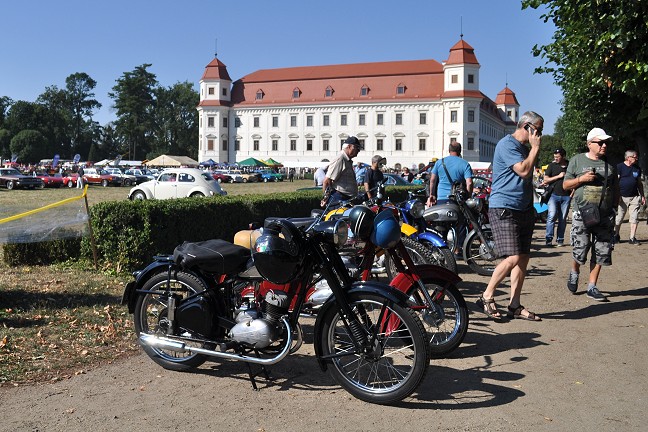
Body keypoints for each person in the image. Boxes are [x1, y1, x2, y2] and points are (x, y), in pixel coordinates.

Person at [477, 111, 544, 321]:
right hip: (504, 207)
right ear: (527, 127)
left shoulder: (523, 148)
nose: (540, 135)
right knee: (513, 257)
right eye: (538, 130)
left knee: (523, 258)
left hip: (523, 209)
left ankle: (514, 305)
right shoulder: (507, 144)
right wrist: (535, 148)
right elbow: (523, 171)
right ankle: (487, 295)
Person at [563, 127, 619, 301]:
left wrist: (614, 208)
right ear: (589, 144)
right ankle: (574, 272)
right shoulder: (577, 160)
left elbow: (615, 188)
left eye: (606, 142)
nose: (604, 145)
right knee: (580, 248)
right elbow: (565, 185)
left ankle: (592, 286)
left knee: (601, 250)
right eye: (600, 142)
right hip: (582, 214)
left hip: (605, 215)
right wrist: (581, 179)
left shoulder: (611, 163)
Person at [426, 142, 473, 206]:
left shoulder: (439, 162)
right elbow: (469, 183)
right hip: (457, 200)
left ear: (449, 150)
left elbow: (432, 180)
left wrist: (432, 195)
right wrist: (468, 196)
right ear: (460, 151)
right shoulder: (465, 164)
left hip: (441, 198)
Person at [613, 150, 645, 245]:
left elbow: (639, 183)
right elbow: (616, 182)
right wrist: (616, 195)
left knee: (634, 218)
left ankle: (632, 238)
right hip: (621, 197)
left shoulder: (637, 168)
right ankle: (616, 235)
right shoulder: (619, 167)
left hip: (634, 197)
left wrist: (642, 195)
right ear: (628, 158)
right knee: (619, 218)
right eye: (635, 157)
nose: (637, 158)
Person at [541, 148, 571, 246]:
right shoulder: (552, 166)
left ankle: (560, 240)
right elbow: (545, 180)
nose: (556, 158)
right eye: (555, 157)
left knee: (562, 219)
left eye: (558, 157)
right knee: (552, 216)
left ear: (563, 156)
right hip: (553, 195)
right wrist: (558, 176)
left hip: (566, 196)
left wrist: (572, 194)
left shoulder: (570, 166)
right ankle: (549, 239)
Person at [321, 136, 363, 206]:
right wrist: (325, 198)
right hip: (339, 198)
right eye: (357, 148)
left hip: (346, 198)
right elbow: (327, 181)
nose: (358, 151)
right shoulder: (340, 159)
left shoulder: (347, 160)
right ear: (349, 146)